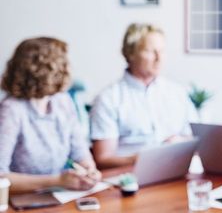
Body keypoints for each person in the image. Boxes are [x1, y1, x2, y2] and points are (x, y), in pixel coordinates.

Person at [0, 37, 101, 193]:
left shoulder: (63, 101)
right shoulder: (11, 110)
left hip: (60, 196)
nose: (68, 69)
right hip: (23, 200)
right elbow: (1, 178)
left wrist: (89, 170)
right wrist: (56, 181)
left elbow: (80, 153)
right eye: (63, 63)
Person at [89, 23, 197, 169]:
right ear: (131, 54)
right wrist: (143, 159)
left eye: (162, 51)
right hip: (131, 177)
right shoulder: (109, 99)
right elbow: (103, 158)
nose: (159, 58)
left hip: (177, 172)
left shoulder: (177, 92)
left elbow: (196, 138)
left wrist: (180, 143)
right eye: (151, 51)